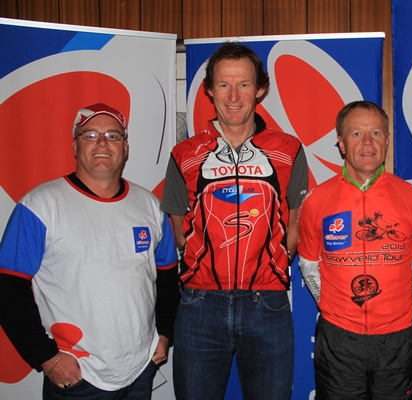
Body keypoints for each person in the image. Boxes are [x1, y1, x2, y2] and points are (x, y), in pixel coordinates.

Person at [0, 103, 179, 399]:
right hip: (78, 376)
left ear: (125, 147)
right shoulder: (40, 205)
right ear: (75, 145)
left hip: (140, 369)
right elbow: (8, 287)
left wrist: (164, 333)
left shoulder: (150, 205)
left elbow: (167, 279)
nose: (102, 143)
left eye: (113, 135)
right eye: (90, 135)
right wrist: (46, 357)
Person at [160, 41, 308, 400]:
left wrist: (271, 265)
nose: (234, 96)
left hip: (267, 304)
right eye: (224, 84)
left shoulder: (288, 149)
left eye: (243, 84)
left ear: (260, 89)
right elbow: (179, 228)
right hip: (199, 305)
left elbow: (296, 223)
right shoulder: (185, 153)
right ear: (209, 90)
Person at [297, 101, 412, 399]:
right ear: (341, 143)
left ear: (387, 141)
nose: (368, 142)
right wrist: (332, 306)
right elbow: (308, 263)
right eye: (356, 134)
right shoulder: (316, 200)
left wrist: (402, 306)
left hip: (397, 339)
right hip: (339, 339)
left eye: (376, 133)